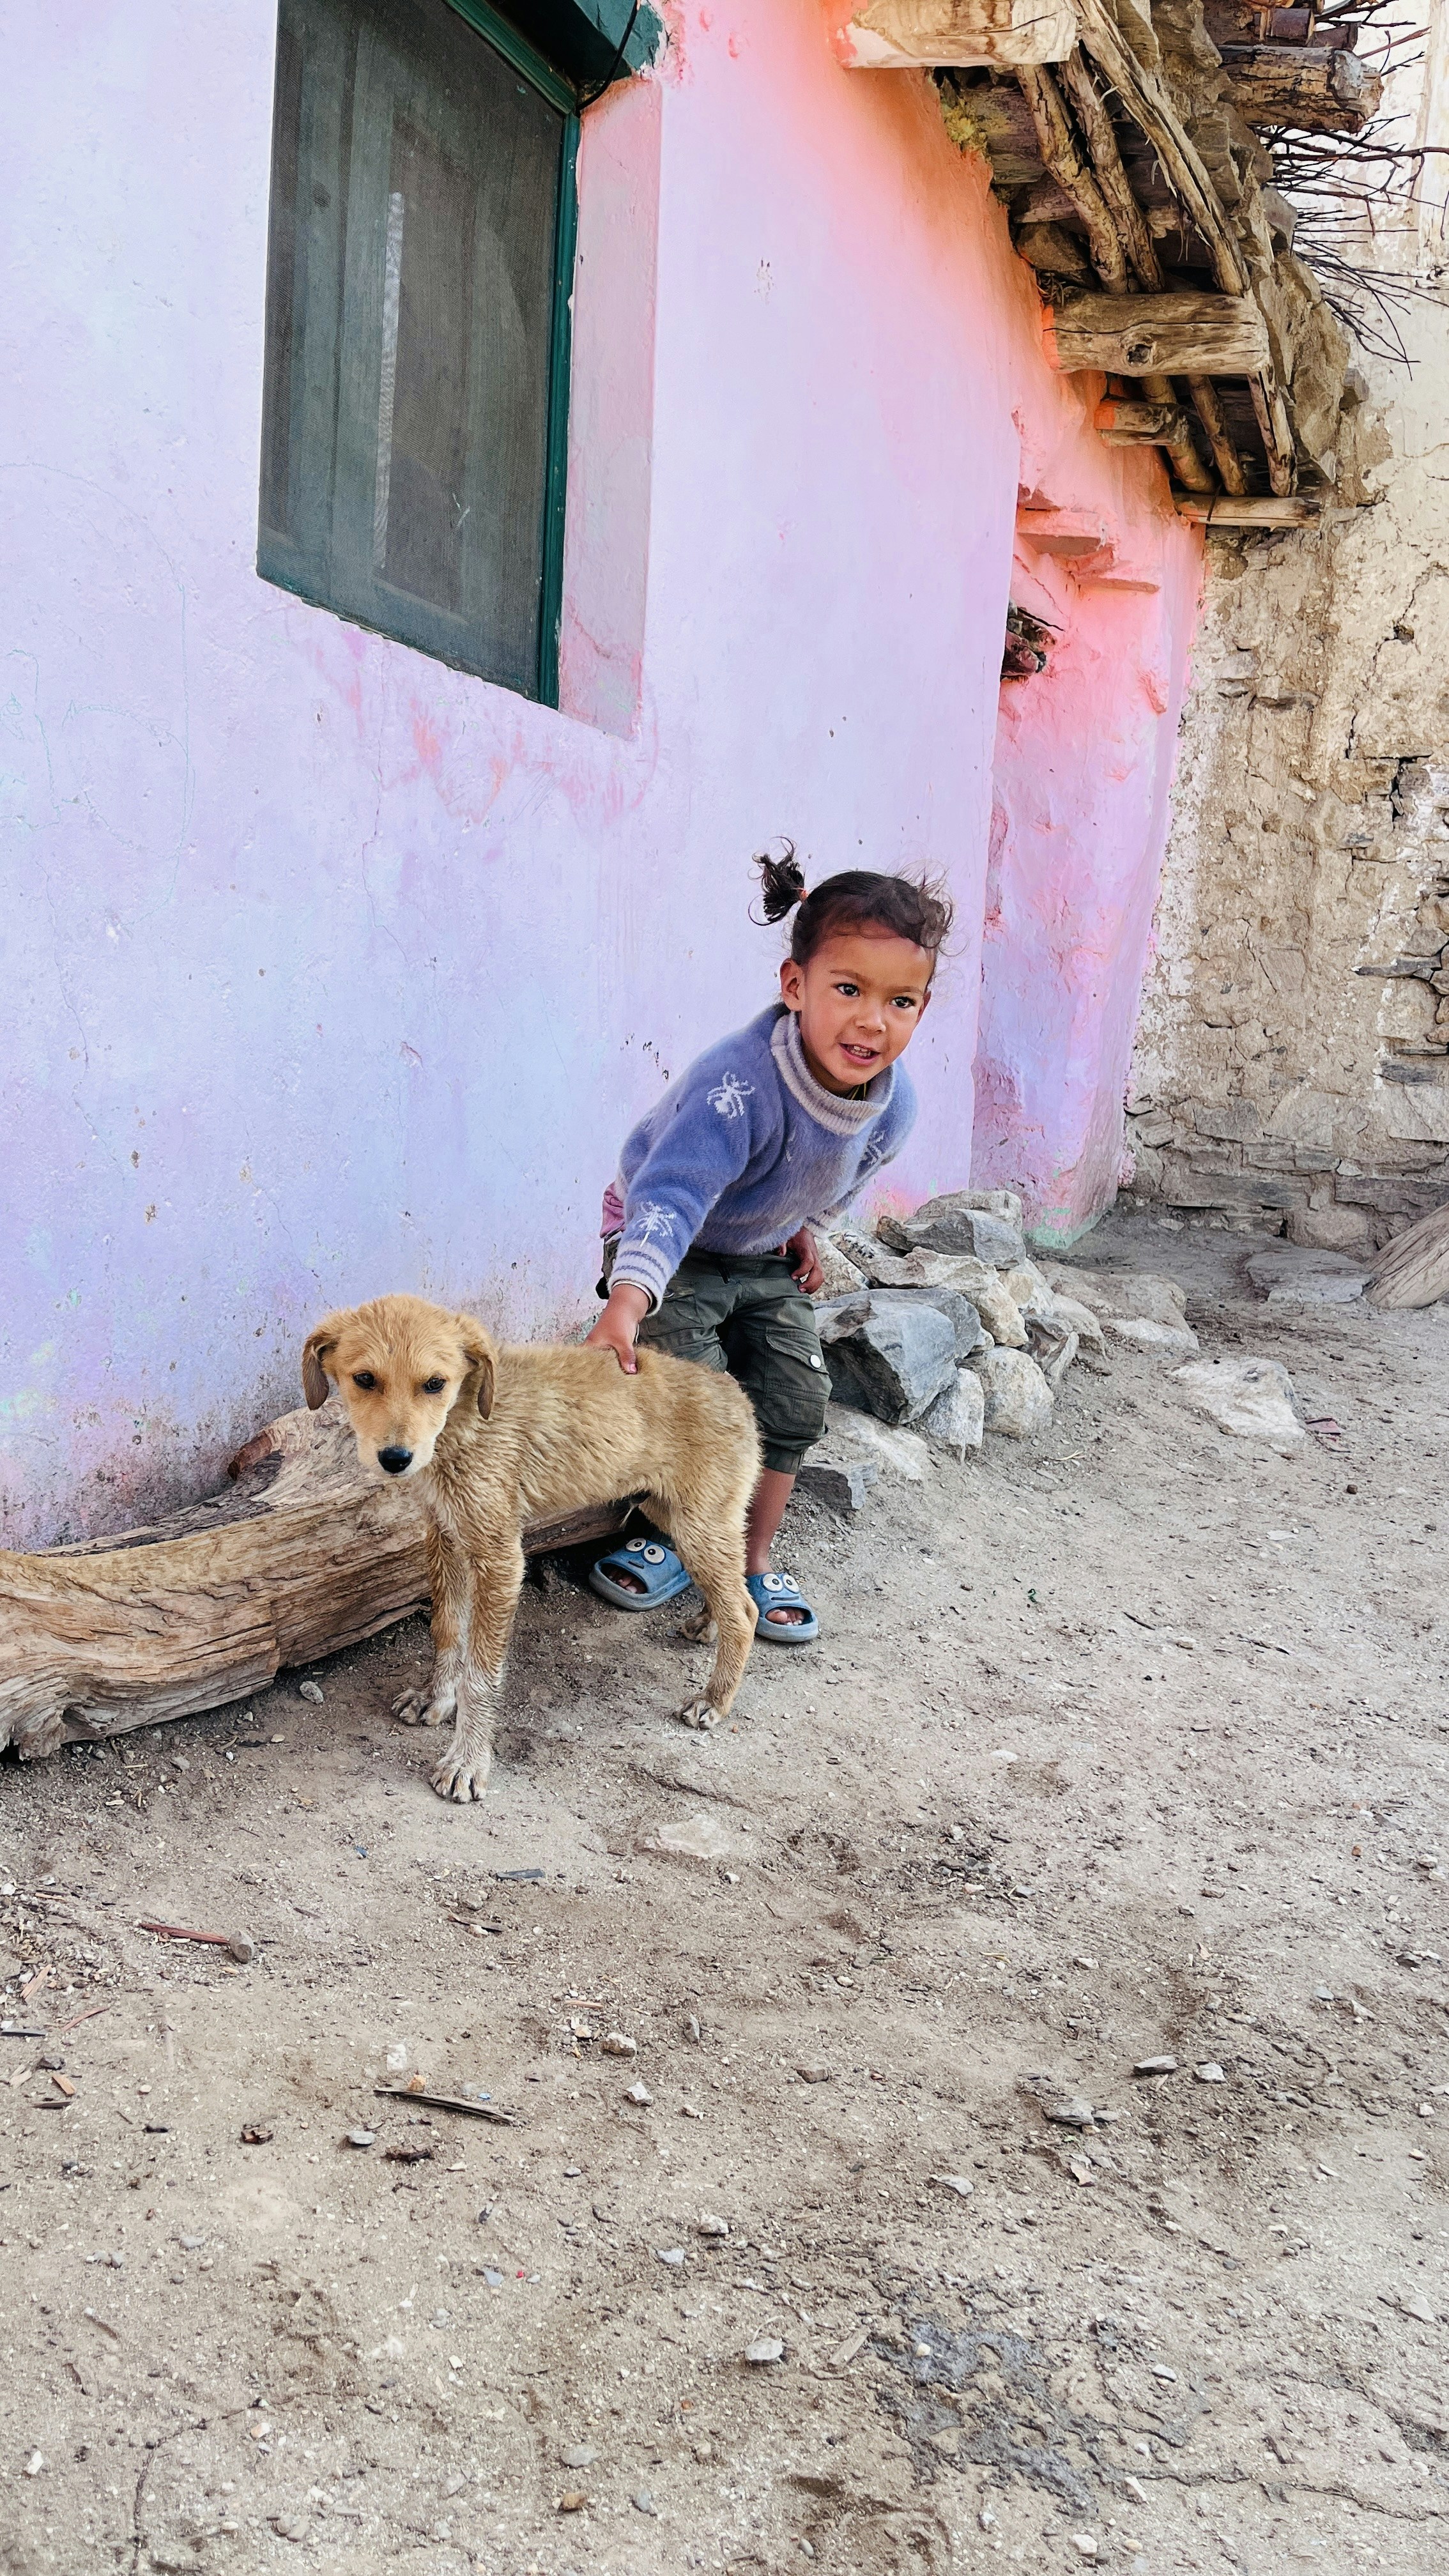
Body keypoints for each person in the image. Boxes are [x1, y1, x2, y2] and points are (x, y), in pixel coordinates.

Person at [585, 847, 953, 1643]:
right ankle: (670, 1536)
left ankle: (749, 1563)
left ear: (923, 1008)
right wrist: (625, 1303)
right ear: (796, 987)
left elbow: (842, 1174)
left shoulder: (894, 1106)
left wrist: (805, 1230)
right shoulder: (741, 1084)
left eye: (900, 1001)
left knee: (793, 1399)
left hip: (759, 1250)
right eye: (847, 990)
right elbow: (671, 1196)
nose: (871, 1020)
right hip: (667, 1244)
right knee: (697, 1394)